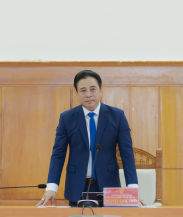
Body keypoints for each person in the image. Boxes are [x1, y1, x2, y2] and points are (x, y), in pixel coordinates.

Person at [38, 70, 138, 207]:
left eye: (93, 89)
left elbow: (127, 154)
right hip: (77, 187)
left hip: (109, 187)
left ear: (100, 90)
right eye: (83, 90)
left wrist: (133, 189)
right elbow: (58, 153)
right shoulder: (67, 118)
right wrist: (51, 187)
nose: (88, 94)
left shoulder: (117, 116)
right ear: (77, 93)